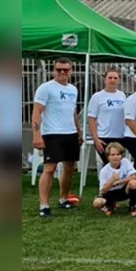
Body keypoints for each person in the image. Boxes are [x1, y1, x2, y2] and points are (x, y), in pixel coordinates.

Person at [32, 57, 82, 217]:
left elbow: (72, 112)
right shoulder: (46, 88)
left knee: (69, 168)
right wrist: (36, 135)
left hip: (70, 133)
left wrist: (79, 131)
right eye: (58, 69)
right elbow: (37, 112)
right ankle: (44, 205)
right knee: (49, 168)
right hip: (52, 133)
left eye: (65, 69)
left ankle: (63, 199)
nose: (62, 72)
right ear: (54, 70)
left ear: (71, 71)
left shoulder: (73, 89)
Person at [87, 68, 126, 164]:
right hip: (103, 137)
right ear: (105, 80)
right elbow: (91, 119)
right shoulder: (97, 96)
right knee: (110, 164)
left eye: (115, 78)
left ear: (119, 80)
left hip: (120, 137)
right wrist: (96, 139)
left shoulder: (122, 95)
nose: (112, 80)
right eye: (110, 77)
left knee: (118, 165)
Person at [92, 142, 136, 216]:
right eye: (113, 155)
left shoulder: (125, 162)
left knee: (134, 183)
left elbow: (134, 176)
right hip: (110, 192)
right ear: (108, 157)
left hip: (123, 191)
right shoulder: (104, 171)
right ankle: (109, 205)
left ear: (121, 155)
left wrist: (119, 181)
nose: (116, 157)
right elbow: (103, 191)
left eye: (118, 154)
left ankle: (132, 206)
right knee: (97, 203)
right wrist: (112, 180)